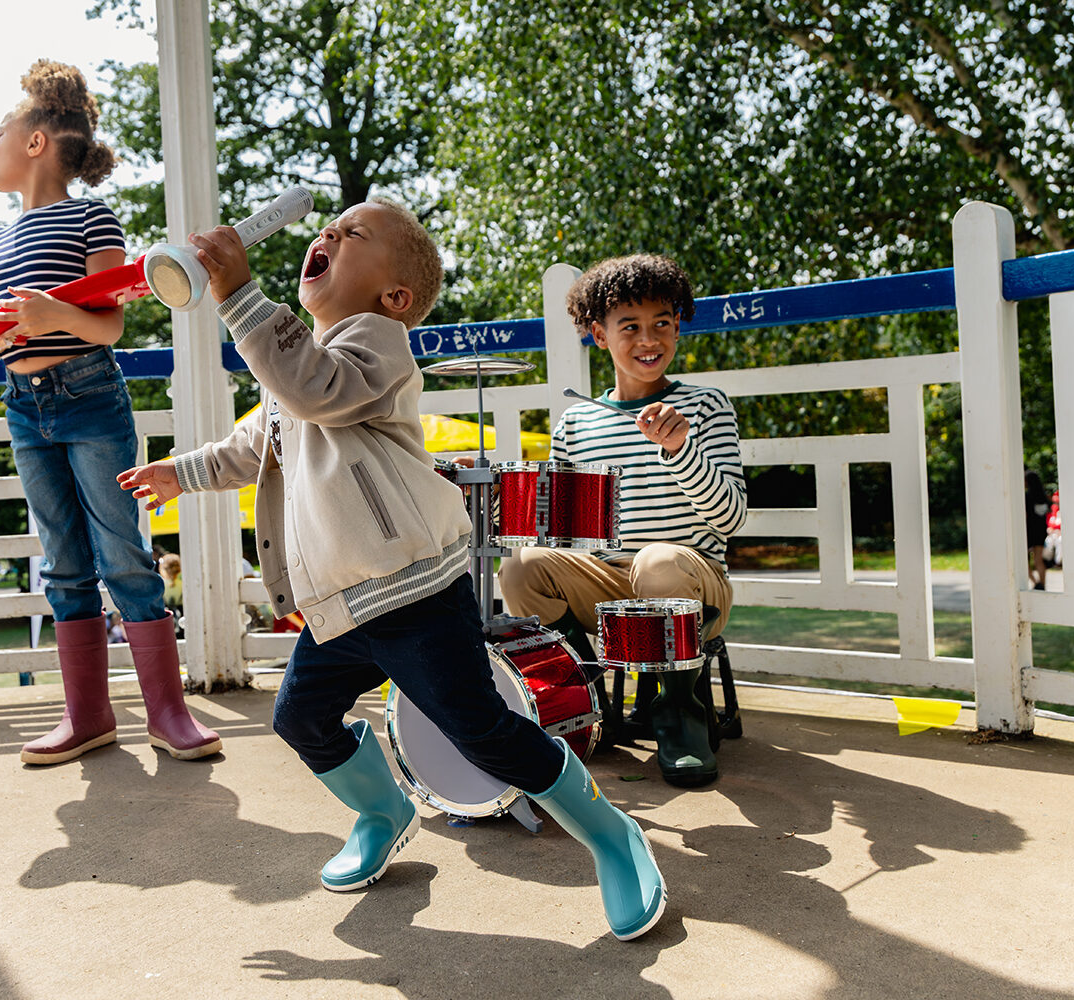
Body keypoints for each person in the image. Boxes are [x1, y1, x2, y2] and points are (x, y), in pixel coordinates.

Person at [116, 200, 666, 941]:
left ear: (395, 298)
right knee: (301, 718)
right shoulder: (291, 367)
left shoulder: (378, 345)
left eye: (354, 235)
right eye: (330, 228)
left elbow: (316, 387)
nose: (330, 234)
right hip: (340, 605)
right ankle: (383, 810)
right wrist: (179, 473)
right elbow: (251, 446)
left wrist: (241, 296)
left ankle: (610, 835)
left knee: (483, 733)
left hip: (410, 594)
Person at [0, 60, 220, 765]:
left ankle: (168, 714)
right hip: (24, 407)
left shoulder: (91, 217)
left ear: (35, 142)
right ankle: (86, 716)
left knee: (123, 554)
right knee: (62, 563)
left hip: (89, 395)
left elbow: (108, 327)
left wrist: (51, 310)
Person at [498, 253, 746, 787]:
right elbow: (560, 532)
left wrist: (680, 448)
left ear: (677, 327)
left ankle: (678, 714)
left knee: (658, 562)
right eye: (629, 326)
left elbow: (731, 519)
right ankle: (588, 699)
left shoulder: (705, 406)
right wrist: (510, 501)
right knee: (521, 565)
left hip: (693, 583)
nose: (648, 338)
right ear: (599, 335)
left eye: (661, 323)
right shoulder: (577, 421)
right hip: (608, 582)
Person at [1025, 470, 1051, 590]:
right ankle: (1043, 584)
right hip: (1041, 531)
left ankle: (1035, 582)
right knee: (1038, 560)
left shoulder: (1027, 497)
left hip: (1028, 531)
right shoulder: (1044, 497)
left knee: (1024, 560)